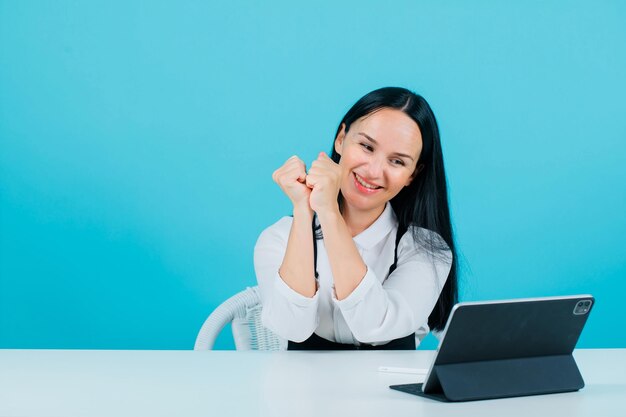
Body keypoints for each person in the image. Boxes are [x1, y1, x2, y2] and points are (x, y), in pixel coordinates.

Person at [254, 87, 458, 350]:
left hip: (389, 392)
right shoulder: (279, 238)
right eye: (366, 146)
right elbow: (292, 327)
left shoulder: (427, 249)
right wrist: (305, 212)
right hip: (302, 390)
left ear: (412, 175)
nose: (374, 171)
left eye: (397, 161)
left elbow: (375, 326)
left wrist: (329, 213)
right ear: (341, 139)